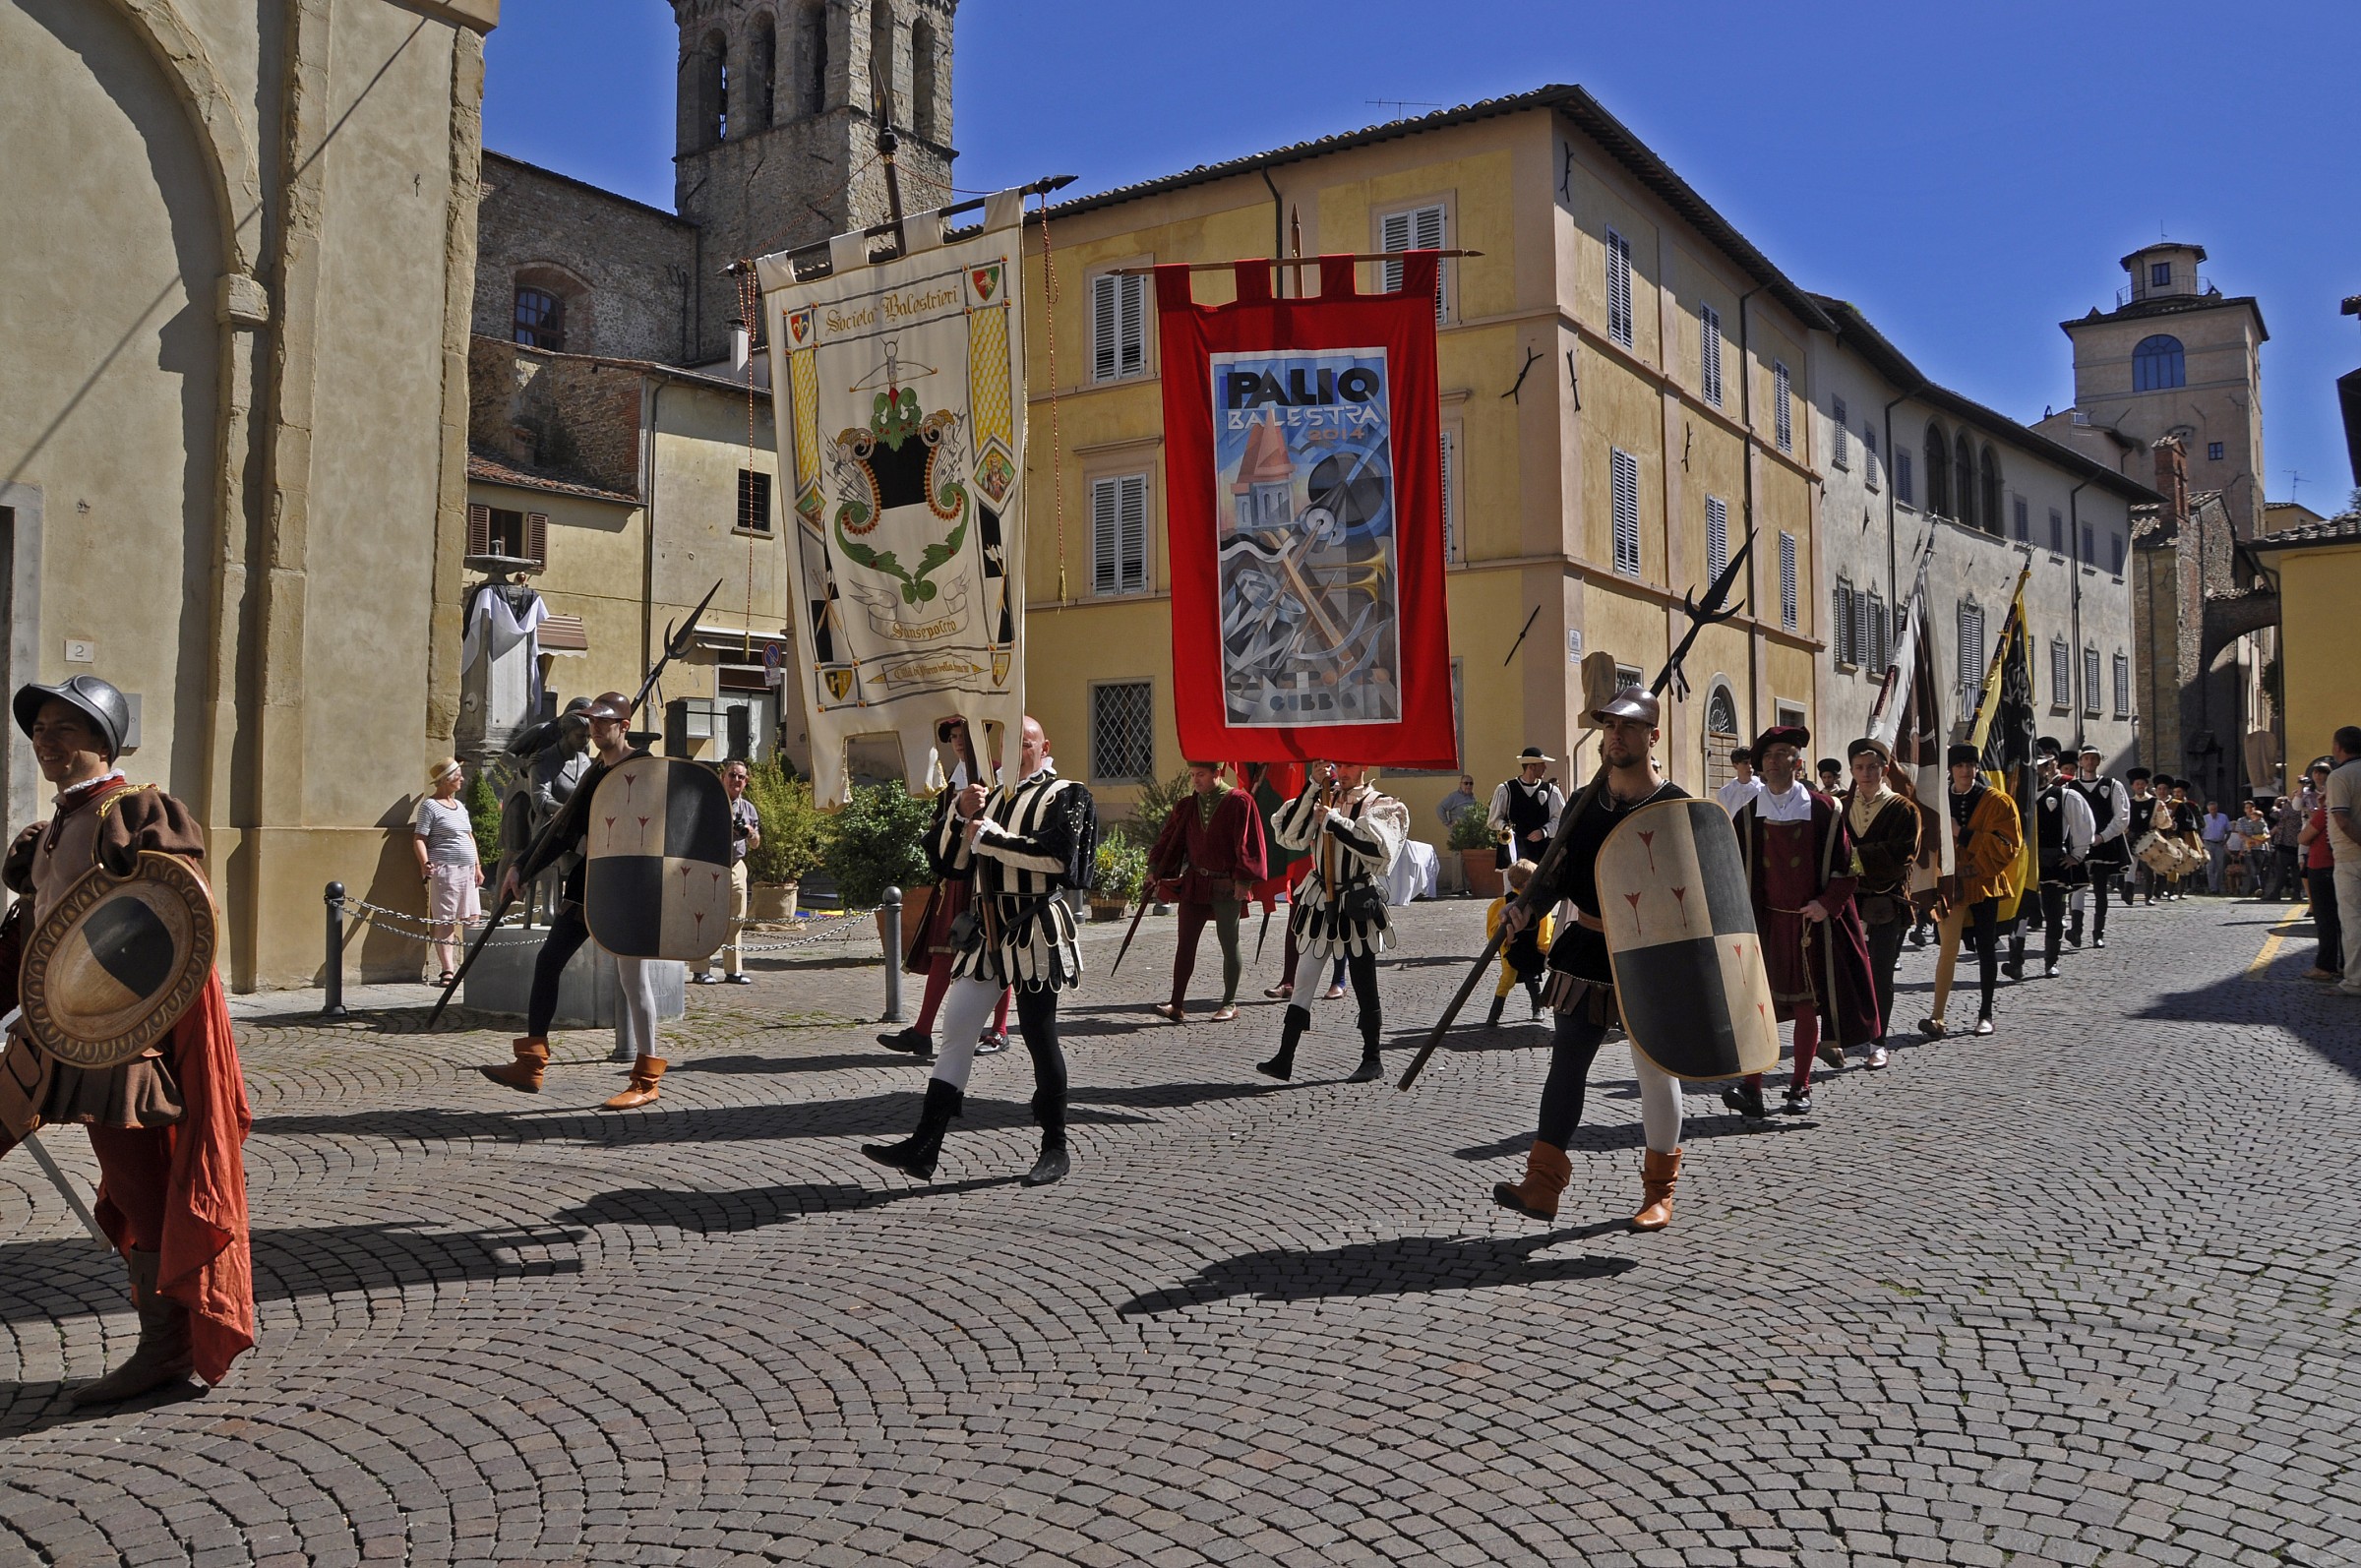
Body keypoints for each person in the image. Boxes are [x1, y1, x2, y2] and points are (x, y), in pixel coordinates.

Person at [0, 676, 254, 1403]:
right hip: (55, 1036)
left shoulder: (134, 812)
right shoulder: (53, 826)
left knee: (144, 1197)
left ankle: (165, 1349)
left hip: (120, 1048)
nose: (45, 741)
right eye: (39, 730)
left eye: (62, 729)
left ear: (101, 738)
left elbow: (173, 927)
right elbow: (40, 934)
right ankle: (162, 1344)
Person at [1492, 687, 1693, 1231]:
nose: (1616, 737)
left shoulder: (1675, 804)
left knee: (1654, 1072)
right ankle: (1542, 1184)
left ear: (1653, 736)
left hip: (1649, 955)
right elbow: (1557, 871)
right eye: (1609, 728)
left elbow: (1695, 895)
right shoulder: (1584, 800)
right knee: (1567, 1062)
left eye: (1627, 728)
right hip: (1586, 947)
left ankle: (1660, 1192)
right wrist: (1527, 908)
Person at [864, 715, 1095, 1185]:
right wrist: (959, 814)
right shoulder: (989, 795)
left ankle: (1055, 1145)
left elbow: (1058, 860)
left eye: (1026, 745)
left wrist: (990, 836)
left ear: (1043, 745)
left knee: (1038, 1033)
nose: (1019, 753)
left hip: (1035, 926)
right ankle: (925, 1144)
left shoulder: (1066, 794)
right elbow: (952, 864)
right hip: (986, 931)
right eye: (1011, 746)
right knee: (957, 1029)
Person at [478, 692, 671, 1107]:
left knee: (633, 980)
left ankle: (646, 1080)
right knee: (549, 961)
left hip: (631, 887)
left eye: (603, 722)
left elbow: (664, 830)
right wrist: (521, 869)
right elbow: (561, 831)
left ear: (624, 724)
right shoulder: (595, 773)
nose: (595, 729)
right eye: (591, 722)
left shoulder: (645, 768)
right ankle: (531, 1064)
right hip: (588, 882)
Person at [1720, 724, 1879, 1117]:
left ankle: (1799, 1088)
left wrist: (1827, 903)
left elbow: (1850, 868)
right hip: (1766, 925)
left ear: (1798, 761)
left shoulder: (1826, 810)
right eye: (1769, 756)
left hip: (1811, 928)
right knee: (1762, 1007)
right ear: (1761, 764)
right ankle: (1752, 1088)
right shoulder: (1746, 816)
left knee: (1807, 1007)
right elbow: (1727, 869)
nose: (1775, 763)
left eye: (1783, 755)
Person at [1256, 762, 1408, 1084]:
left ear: (1364, 766)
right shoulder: (1324, 797)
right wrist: (1312, 786)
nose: (1344, 770)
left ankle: (1372, 1058)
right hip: (1319, 899)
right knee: (1305, 978)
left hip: (1356, 898)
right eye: (1341, 764)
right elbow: (1291, 836)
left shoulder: (1381, 803)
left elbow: (1379, 853)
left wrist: (1335, 822)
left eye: (1351, 764)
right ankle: (1285, 1057)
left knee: (1364, 980)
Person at [878, 718, 1011, 1060]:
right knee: (943, 951)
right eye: (953, 737)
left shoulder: (1000, 777)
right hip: (955, 878)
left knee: (1000, 950)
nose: (958, 743)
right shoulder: (953, 781)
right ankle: (922, 1032)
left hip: (990, 878)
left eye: (964, 736)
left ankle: (999, 1030)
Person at [1149, 760, 1267, 1023]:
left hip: (1226, 884)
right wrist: (1155, 867)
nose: (1195, 780)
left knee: (1229, 941)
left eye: (1201, 774)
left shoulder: (1239, 802)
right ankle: (1176, 1004)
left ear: (1217, 773)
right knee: (1185, 943)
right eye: (1192, 775)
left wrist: (1243, 880)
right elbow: (1170, 838)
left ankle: (1229, 1002)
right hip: (1195, 883)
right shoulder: (1187, 805)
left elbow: (1249, 842)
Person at [1920, 743, 2024, 1039]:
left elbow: (2008, 845)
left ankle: (1986, 1013)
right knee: (1947, 948)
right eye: (1959, 766)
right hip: (1951, 886)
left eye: (1970, 765)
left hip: (1983, 882)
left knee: (1986, 947)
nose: (1966, 771)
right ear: (1951, 770)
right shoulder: (1938, 803)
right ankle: (1937, 1016)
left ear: (1977, 768)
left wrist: (1962, 834)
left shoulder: (1998, 802)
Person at [1844, 737, 1924, 1072]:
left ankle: (1878, 1042)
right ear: (1851, 770)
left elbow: (1901, 856)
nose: (1866, 773)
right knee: (1844, 974)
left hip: (1886, 902)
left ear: (1885, 769)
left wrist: (1853, 859)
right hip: (1845, 903)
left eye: (1873, 767)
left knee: (1880, 975)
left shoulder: (1905, 809)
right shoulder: (1839, 807)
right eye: (1860, 767)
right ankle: (1844, 1036)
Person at [2008, 740, 2093, 981]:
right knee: (2020, 913)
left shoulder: (2065, 796)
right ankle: (2016, 961)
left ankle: (2050, 962)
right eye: (2034, 769)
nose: (2039, 773)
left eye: (2042, 768)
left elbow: (2083, 825)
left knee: (2054, 914)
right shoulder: (2017, 797)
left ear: (2049, 769)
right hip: (2025, 864)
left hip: (2053, 862)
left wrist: (2077, 855)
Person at [691, 758, 761, 986]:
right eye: (732, 775)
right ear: (723, 777)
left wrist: (750, 833)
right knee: (705, 917)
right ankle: (700, 970)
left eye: (741, 777)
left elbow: (756, 843)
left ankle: (733, 970)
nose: (736, 780)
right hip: (710, 865)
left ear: (746, 782)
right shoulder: (709, 803)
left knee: (736, 919)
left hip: (736, 866)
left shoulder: (748, 808)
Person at [413, 757, 483, 985]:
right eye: (458, 775)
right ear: (445, 780)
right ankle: (447, 970)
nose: (462, 779)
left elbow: (469, 837)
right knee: (445, 920)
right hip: (446, 870)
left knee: (472, 918)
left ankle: (473, 967)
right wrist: (424, 863)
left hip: (468, 870)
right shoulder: (430, 806)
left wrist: (477, 866)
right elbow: (419, 838)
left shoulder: (460, 806)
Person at [2068, 743, 2130, 948]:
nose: (2090, 762)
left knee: (2101, 889)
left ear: (2099, 761)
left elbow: (2122, 816)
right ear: (2080, 761)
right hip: (2078, 845)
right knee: (2078, 887)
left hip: (2103, 844)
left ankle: (2098, 933)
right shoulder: (2069, 788)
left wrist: (2103, 836)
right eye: (2086, 758)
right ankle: (2076, 930)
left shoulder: (2112, 785)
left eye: (2094, 758)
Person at [1484, 859, 1554, 1026]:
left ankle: (1537, 1008)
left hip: (1530, 949)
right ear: (1526, 883)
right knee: (1507, 979)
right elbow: (1493, 929)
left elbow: (1545, 925)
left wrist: (1543, 947)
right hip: (1511, 948)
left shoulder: (1538, 905)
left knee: (1533, 977)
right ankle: (1495, 1013)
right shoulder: (1502, 904)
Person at [1487, 748, 1564, 870]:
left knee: (1539, 887)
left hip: (1541, 852)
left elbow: (1561, 819)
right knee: (1512, 887)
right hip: (1513, 852)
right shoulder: (1506, 789)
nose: (1546, 767)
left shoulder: (1551, 791)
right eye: (1542, 764)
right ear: (1531, 767)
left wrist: (1544, 832)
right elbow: (1493, 820)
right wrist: (1506, 829)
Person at [2327, 726, 2361, 996]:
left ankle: (2355, 981)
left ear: (2339, 748)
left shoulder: (2340, 776)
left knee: (2352, 921)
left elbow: (2342, 818)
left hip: (2350, 855)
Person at [2301, 772, 2341, 982]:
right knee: (2342, 919)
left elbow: (2304, 837)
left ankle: (2325, 966)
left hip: (2320, 866)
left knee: (2325, 920)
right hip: (2338, 865)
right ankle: (2342, 964)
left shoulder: (2325, 813)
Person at [2125, 767, 2163, 906]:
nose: (2140, 786)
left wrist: (2162, 815)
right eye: (2137, 784)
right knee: (2131, 867)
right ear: (2132, 786)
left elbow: (2162, 823)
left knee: (2148, 869)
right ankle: (2128, 894)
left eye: (2142, 783)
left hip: (2147, 838)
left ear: (2146, 785)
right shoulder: (2128, 802)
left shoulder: (2155, 802)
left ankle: (2149, 896)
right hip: (2131, 837)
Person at [2268, 795, 2304, 902]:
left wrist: (2275, 804)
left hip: (2285, 845)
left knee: (2281, 871)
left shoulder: (2290, 810)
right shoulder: (2302, 811)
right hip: (2297, 844)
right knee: (2296, 872)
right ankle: (2297, 893)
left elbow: (2274, 814)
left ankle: (2276, 893)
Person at [2201, 799, 2232, 894]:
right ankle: (2212, 888)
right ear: (2208, 810)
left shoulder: (2223, 817)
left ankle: (2218, 887)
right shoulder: (2205, 818)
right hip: (2208, 843)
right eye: (2211, 810)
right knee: (2210, 867)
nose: (2213, 811)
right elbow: (2200, 832)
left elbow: (2229, 830)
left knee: (2220, 867)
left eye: (2215, 809)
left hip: (2219, 844)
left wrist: (2225, 841)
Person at [1716, 746, 1759, 814]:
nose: (1750, 766)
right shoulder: (1725, 792)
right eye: (1745, 763)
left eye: (1751, 762)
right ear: (1735, 765)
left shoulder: (1762, 789)